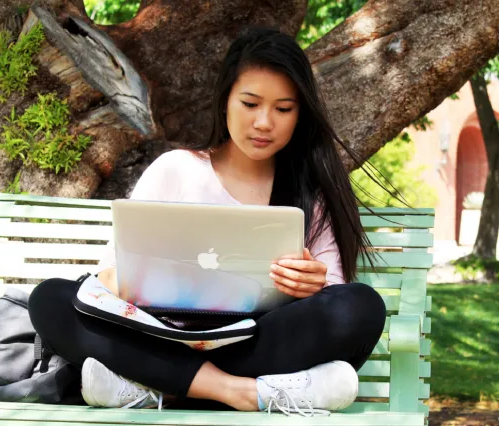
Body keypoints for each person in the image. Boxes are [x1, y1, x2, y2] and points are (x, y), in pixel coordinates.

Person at [28, 27, 387, 416]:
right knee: (50, 299)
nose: (264, 122)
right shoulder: (175, 170)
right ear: (225, 101)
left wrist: (311, 285)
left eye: (283, 109)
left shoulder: (309, 196)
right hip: (161, 335)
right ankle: (243, 392)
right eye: (250, 103)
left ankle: (160, 387)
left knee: (361, 307)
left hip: (253, 341)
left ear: (300, 115)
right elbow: (107, 281)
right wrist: (133, 278)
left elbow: (334, 302)